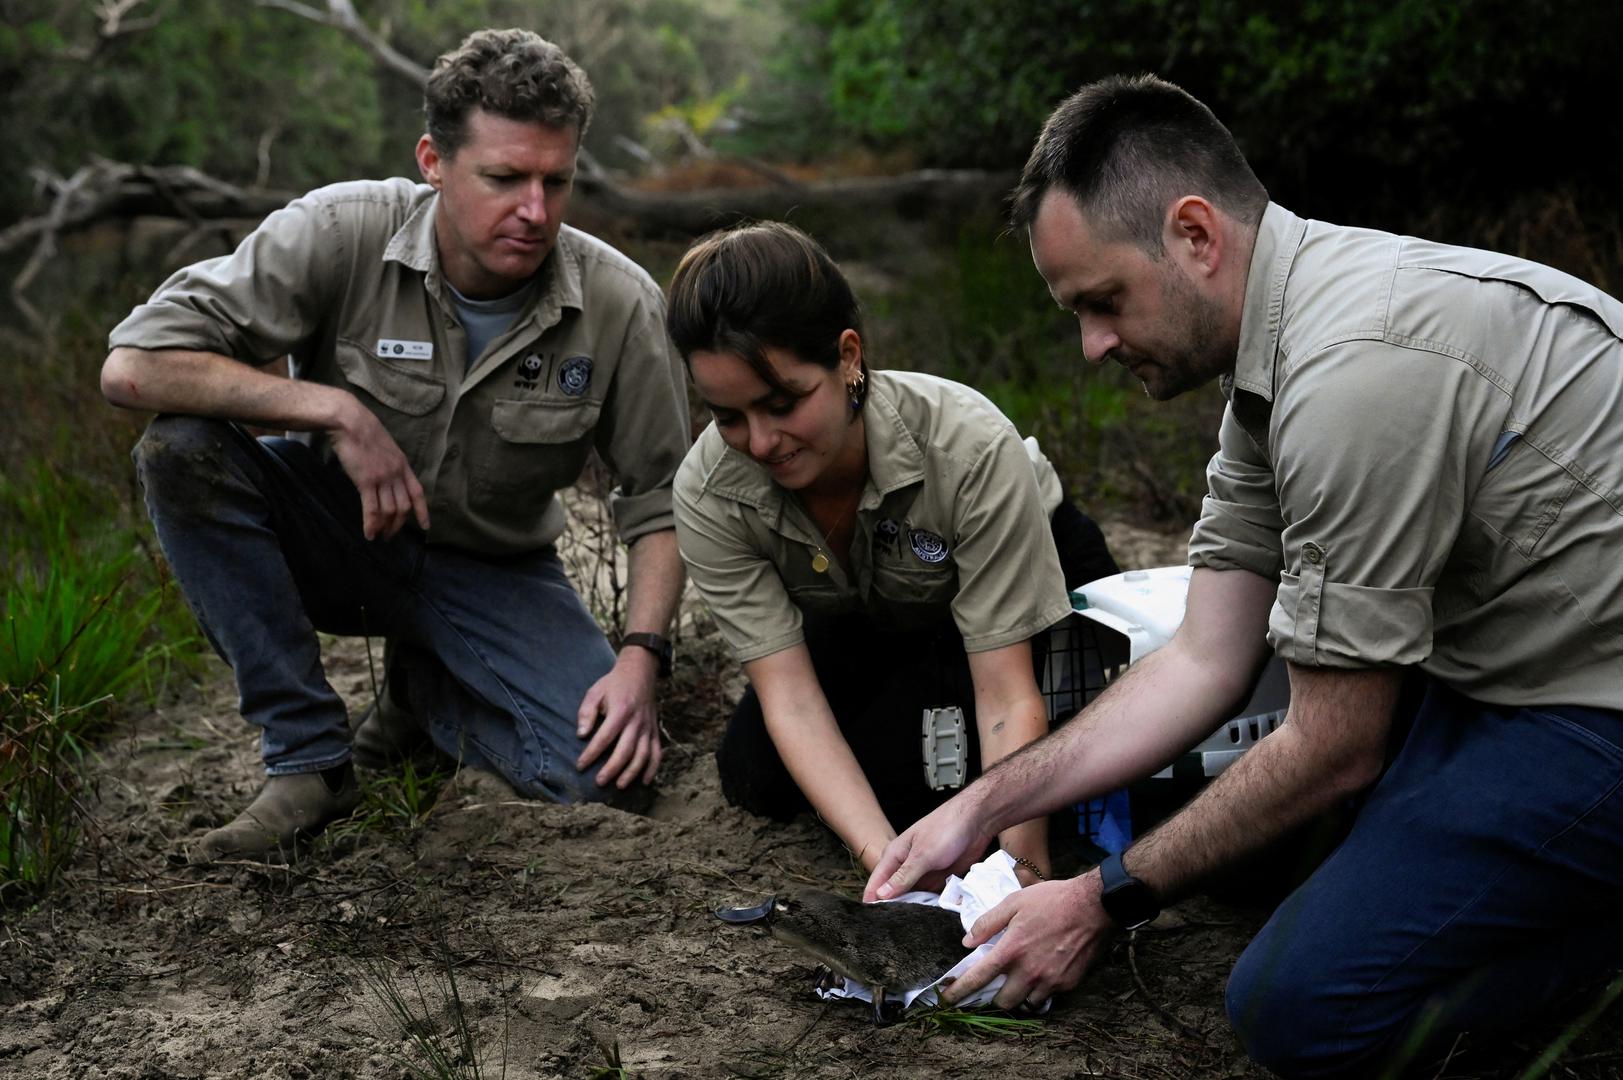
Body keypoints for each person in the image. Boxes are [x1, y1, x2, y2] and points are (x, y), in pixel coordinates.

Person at [864, 74, 1623, 1076]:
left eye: (1102, 303)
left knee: (1293, 1010)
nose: (1090, 346)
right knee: (1242, 857)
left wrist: (1097, 902)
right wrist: (984, 805)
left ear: (1194, 235)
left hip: (1587, 705)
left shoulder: (1351, 374)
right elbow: (1205, 658)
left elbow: (1333, 744)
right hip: (1513, 664)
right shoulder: (1279, 358)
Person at [100, 29, 690, 863]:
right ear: (433, 161)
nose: (534, 210)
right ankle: (308, 760)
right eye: (503, 178)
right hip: (341, 536)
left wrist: (641, 659)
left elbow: (661, 499)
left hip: (496, 568)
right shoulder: (339, 231)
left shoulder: (622, 303)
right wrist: (332, 411)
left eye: (555, 181)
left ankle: (423, 693)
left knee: (607, 783)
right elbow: (133, 367)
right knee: (180, 450)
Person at [667, 221, 1119, 884]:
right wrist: (881, 866)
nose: (761, 443)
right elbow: (788, 697)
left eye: (782, 403)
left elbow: (1003, 693)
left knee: (942, 790)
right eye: (727, 416)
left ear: (848, 357)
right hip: (872, 606)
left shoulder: (967, 447)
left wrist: (1019, 872)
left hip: (1018, 589)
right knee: (754, 771)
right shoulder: (709, 492)